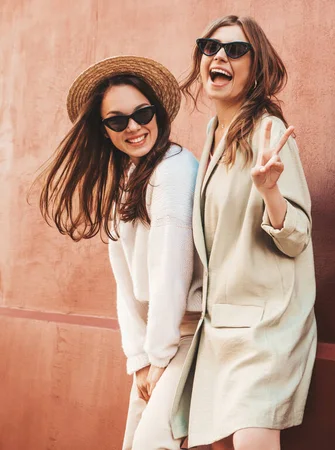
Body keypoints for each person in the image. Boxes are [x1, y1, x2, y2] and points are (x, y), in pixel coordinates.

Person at [35, 56, 202, 450]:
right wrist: (140, 358)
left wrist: (157, 359)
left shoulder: (174, 169)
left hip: (188, 337)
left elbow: (171, 271)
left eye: (142, 113)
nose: (133, 127)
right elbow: (125, 281)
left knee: (152, 445)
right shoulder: (127, 179)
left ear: (158, 113)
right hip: (160, 342)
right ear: (104, 130)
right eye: (117, 120)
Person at [172, 15, 317, 450]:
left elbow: (297, 236)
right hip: (220, 324)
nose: (219, 56)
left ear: (258, 69)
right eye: (210, 47)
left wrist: (271, 191)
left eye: (236, 50)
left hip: (265, 324)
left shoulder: (267, 130)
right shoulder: (213, 134)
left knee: (252, 433)